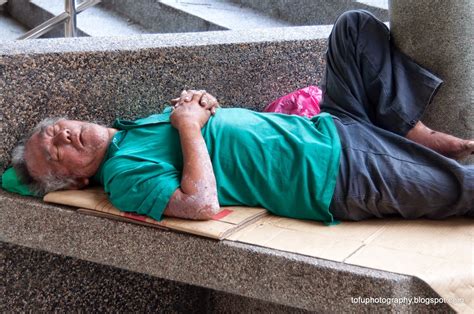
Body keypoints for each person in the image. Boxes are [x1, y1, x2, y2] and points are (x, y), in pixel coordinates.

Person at [8, 10, 474, 223]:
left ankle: (414, 131)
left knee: (353, 29)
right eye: (57, 153)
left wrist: (204, 107)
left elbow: (210, 134)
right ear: (73, 183)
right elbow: (201, 205)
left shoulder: (131, 129)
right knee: (463, 189)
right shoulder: (125, 178)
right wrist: (189, 124)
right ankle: (413, 143)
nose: (63, 135)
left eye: (55, 129)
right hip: (331, 173)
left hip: (328, 126)